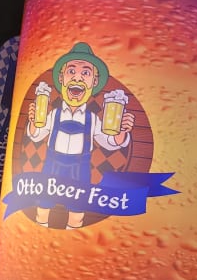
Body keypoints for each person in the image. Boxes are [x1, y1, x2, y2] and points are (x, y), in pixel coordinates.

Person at [25, 42, 135, 229]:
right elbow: (36, 136)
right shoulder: (53, 114)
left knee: (76, 216)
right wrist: (34, 123)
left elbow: (109, 142)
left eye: (86, 73)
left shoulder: (93, 119)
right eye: (71, 71)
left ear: (94, 82)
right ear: (62, 79)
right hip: (52, 166)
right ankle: (39, 235)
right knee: (42, 211)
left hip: (80, 168)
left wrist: (123, 131)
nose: (78, 78)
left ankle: (72, 238)